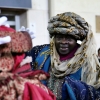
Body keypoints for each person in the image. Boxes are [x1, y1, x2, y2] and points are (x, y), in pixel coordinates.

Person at [23, 12, 100, 100]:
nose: (63, 42)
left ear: (76, 40)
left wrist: (71, 86)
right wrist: (21, 46)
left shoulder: (88, 62)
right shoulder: (39, 52)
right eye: (59, 38)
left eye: (69, 39)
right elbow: (20, 68)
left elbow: (96, 92)